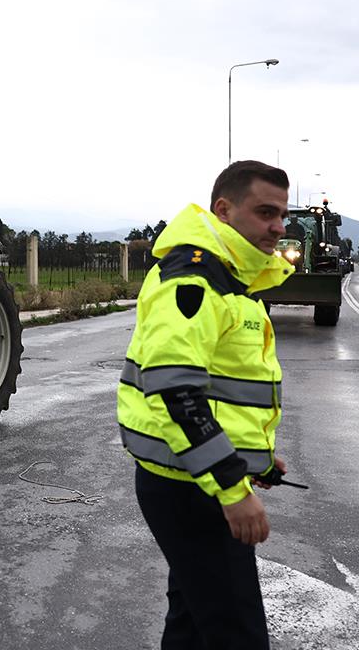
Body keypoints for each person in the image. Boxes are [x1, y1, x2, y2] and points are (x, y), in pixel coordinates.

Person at [117, 160, 295, 649]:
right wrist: (233, 489)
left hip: (194, 479)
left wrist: (253, 458)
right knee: (236, 637)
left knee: (193, 628)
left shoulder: (231, 277)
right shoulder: (195, 280)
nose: (278, 227)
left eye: (282, 215)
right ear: (224, 209)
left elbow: (220, 390)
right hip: (192, 490)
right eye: (265, 212)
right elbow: (176, 392)